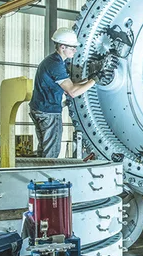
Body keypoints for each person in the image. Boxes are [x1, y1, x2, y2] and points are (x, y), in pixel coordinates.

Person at [30, 27, 96, 158]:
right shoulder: (56, 65)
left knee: (44, 149)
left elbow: (69, 85)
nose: (75, 50)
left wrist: (88, 79)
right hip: (49, 113)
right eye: (72, 48)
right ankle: (47, 176)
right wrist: (94, 81)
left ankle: (39, 174)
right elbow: (72, 92)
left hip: (40, 109)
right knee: (51, 153)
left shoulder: (52, 61)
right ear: (62, 47)